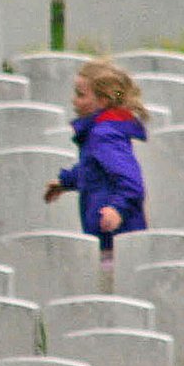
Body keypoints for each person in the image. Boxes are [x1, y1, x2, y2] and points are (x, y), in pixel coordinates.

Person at [43, 57, 149, 276]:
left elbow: (131, 181)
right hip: (105, 233)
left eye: (81, 95)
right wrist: (66, 182)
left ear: (102, 101)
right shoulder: (99, 132)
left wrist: (118, 209)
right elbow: (93, 169)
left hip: (116, 235)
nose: (74, 101)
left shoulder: (104, 135)